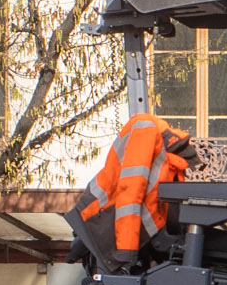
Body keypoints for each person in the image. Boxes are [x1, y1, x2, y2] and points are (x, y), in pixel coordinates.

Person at [68, 112, 196, 275]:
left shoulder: (170, 161)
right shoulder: (145, 129)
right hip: (102, 224)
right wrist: (125, 253)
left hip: (112, 231)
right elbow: (129, 194)